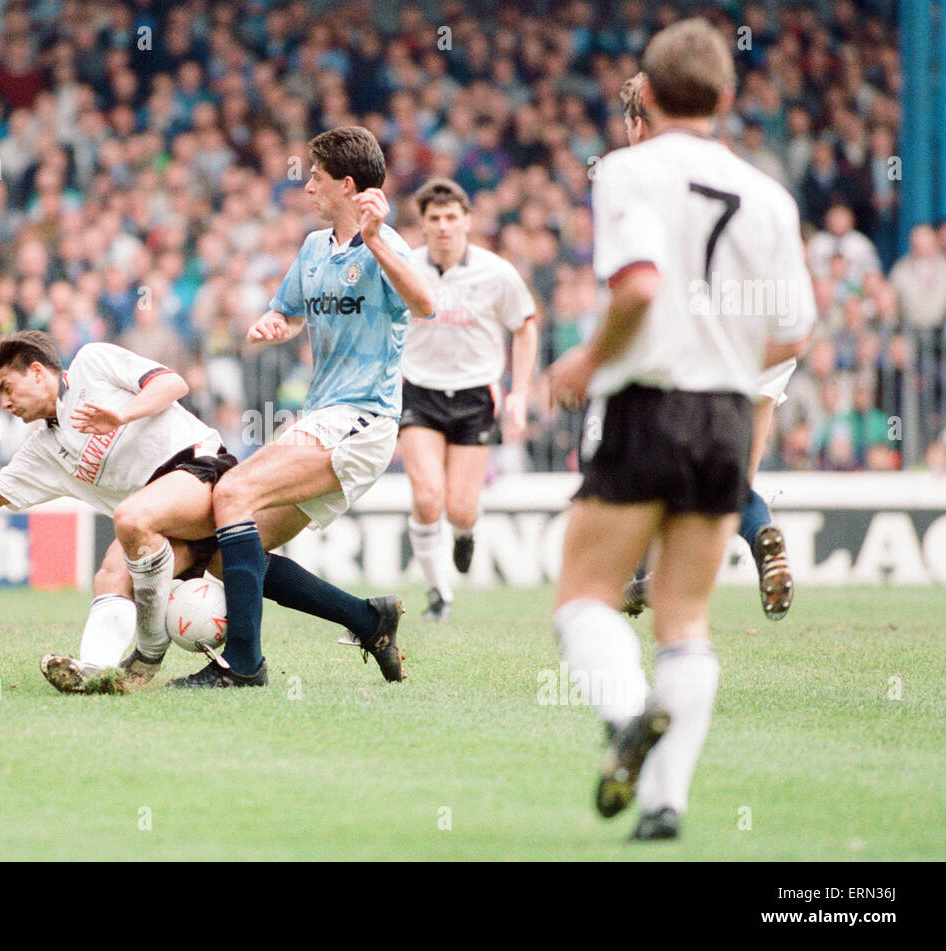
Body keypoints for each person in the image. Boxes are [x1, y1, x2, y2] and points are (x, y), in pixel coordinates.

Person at [546, 21, 814, 841]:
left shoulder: (630, 170)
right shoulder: (770, 194)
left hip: (649, 405)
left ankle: (628, 716)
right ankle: (665, 804)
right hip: (729, 415)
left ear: (648, 97)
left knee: (584, 596)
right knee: (684, 620)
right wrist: (727, 354)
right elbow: (795, 331)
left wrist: (586, 363)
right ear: (727, 100)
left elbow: (635, 288)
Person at [0, 330, 402, 693]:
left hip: (200, 469)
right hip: (171, 523)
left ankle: (150, 656)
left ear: (38, 371)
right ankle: (92, 670)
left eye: (8, 388)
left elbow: (173, 382)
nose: (5, 404)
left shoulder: (92, 364)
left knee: (131, 519)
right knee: (114, 571)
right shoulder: (41, 449)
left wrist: (123, 415)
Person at [169, 126, 435, 688]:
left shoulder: (388, 246)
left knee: (233, 492)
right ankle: (369, 619)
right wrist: (277, 325)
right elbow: (289, 311)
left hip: (362, 421)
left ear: (345, 185)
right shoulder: (315, 248)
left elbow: (426, 303)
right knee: (228, 549)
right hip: (323, 418)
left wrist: (379, 238)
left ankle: (243, 664)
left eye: (316, 176)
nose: (307, 185)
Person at [617, 71, 796, 623]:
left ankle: (635, 578)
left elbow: (643, 285)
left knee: (643, 463)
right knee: (731, 479)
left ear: (636, 122)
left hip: (700, 346)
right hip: (763, 344)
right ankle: (761, 530)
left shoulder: (638, 180)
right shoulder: (745, 175)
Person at [399, 178, 537, 621]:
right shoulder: (403, 266)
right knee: (426, 497)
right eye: (434, 219)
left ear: (467, 222)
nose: (443, 226)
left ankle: (465, 533)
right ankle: (439, 595)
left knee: (459, 507)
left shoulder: (496, 272)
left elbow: (525, 325)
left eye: (451, 217)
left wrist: (520, 393)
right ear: (422, 225)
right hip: (419, 391)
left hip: (476, 395)